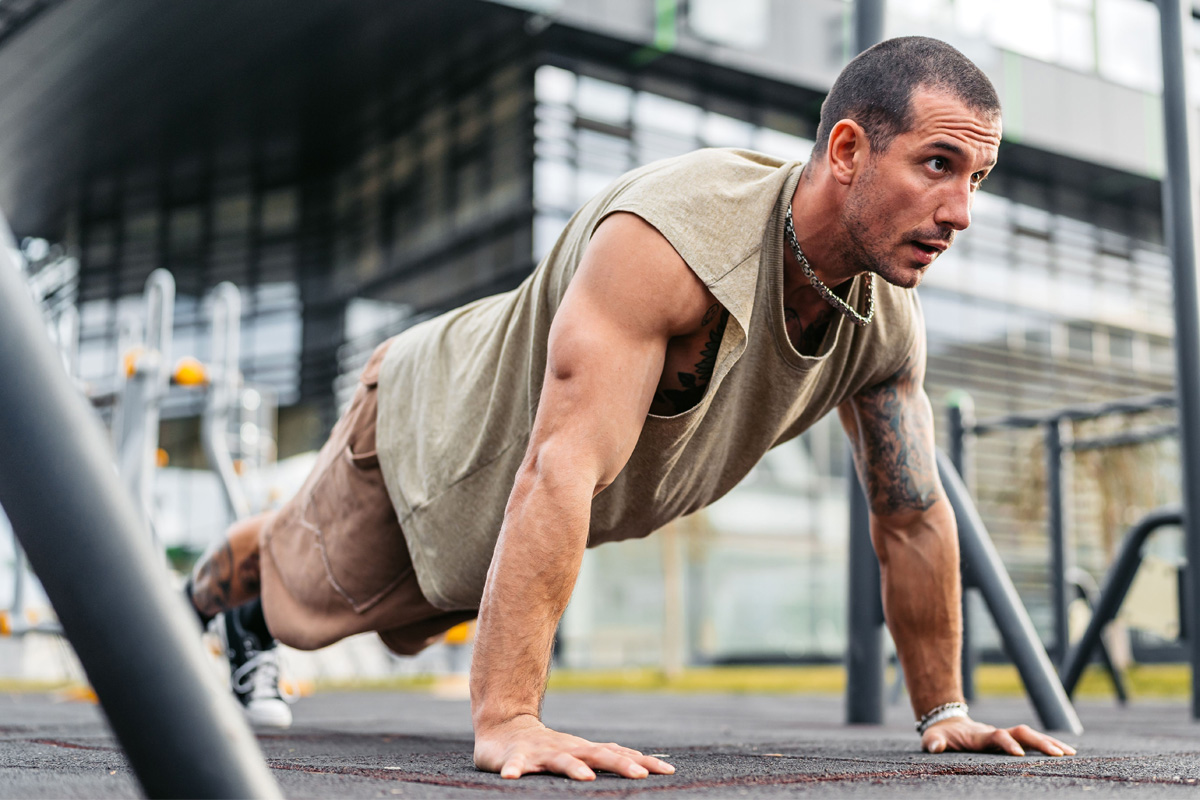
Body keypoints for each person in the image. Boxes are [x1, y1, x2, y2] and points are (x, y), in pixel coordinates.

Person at [185, 36, 1077, 778]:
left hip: (507, 507)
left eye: (978, 178)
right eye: (938, 165)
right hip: (430, 430)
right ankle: (202, 608)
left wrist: (945, 709)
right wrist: (510, 720)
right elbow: (562, 463)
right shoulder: (674, 240)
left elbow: (913, 515)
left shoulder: (885, 325)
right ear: (847, 152)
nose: (961, 211)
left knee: (416, 621)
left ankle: (257, 594)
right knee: (308, 596)